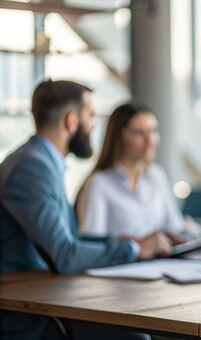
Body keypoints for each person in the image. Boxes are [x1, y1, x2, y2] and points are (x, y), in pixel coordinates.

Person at [0, 80, 171, 339]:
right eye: (90, 116)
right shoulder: (32, 169)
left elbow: (69, 240)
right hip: (29, 313)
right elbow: (64, 255)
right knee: (134, 336)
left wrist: (122, 242)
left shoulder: (39, 162)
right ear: (71, 120)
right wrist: (134, 250)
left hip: (47, 297)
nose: (92, 126)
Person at [76, 103, 201, 241]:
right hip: (125, 262)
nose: (150, 141)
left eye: (153, 131)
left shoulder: (157, 176)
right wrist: (137, 246)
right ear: (119, 137)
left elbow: (174, 227)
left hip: (163, 261)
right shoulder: (98, 184)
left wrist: (191, 231)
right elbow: (92, 244)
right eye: (139, 133)